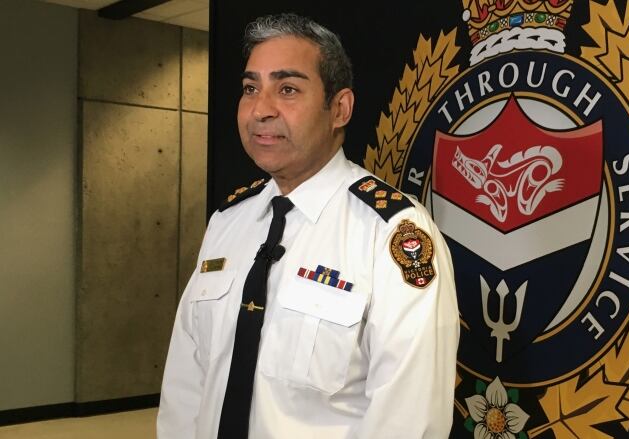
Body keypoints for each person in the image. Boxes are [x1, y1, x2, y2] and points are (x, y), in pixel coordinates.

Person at [157, 13, 459, 439]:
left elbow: (409, 418)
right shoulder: (228, 221)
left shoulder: (393, 233)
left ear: (339, 108)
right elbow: (187, 384)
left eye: (287, 89)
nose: (261, 110)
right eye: (250, 88)